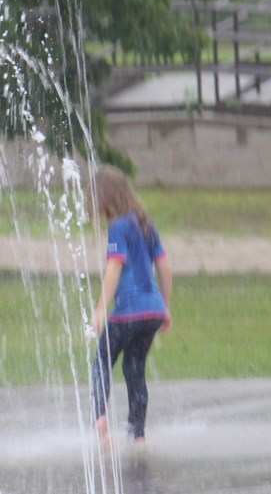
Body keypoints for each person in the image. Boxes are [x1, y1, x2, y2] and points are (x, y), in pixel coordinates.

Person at [89, 167, 172, 449]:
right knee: (134, 369)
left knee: (102, 359)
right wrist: (165, 307)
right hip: (152, 312)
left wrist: (101, 309)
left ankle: (101, 421)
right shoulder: (146, 223)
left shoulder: (119, 227)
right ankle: (138, 436)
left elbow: (114, 266)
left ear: (106, 198)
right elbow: (164, 268)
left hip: (129, 311)